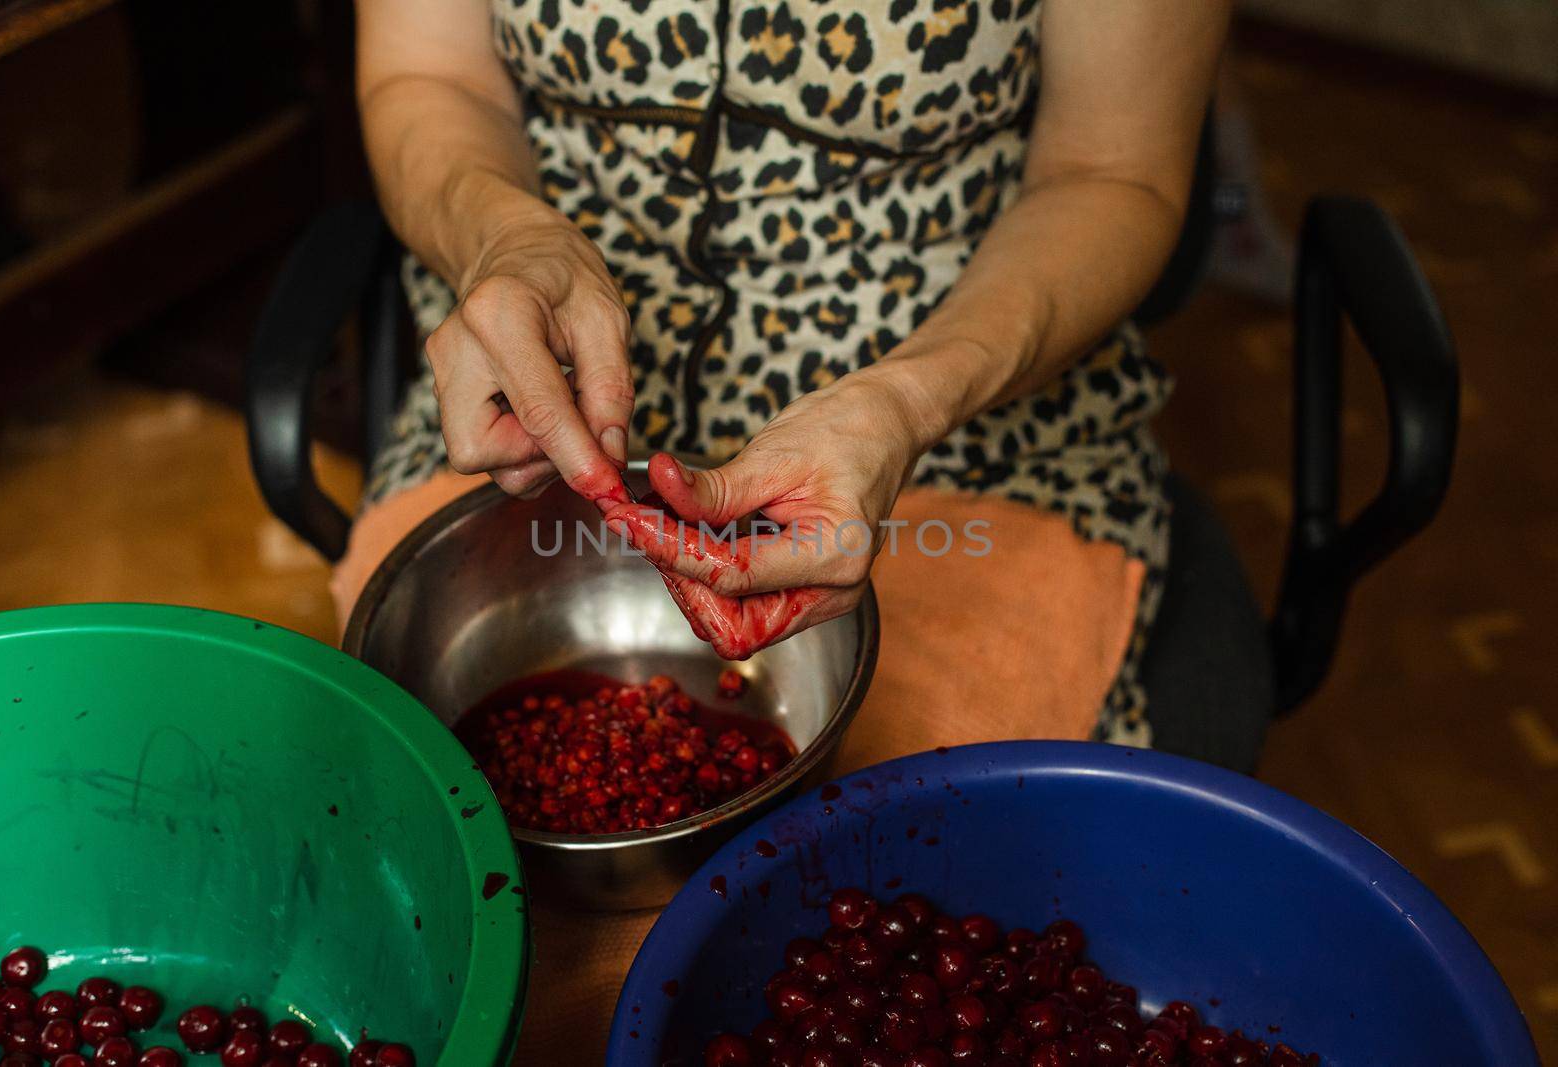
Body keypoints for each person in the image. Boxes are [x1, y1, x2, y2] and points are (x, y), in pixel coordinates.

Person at [341, 1, 1227, 1059]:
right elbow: (426, 84)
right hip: (536, 379)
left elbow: (1114, 174)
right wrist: (505, 235)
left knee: (882, 926)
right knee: (439, 925)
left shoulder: (931, 404)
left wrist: (903, 404)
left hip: (964, 406)